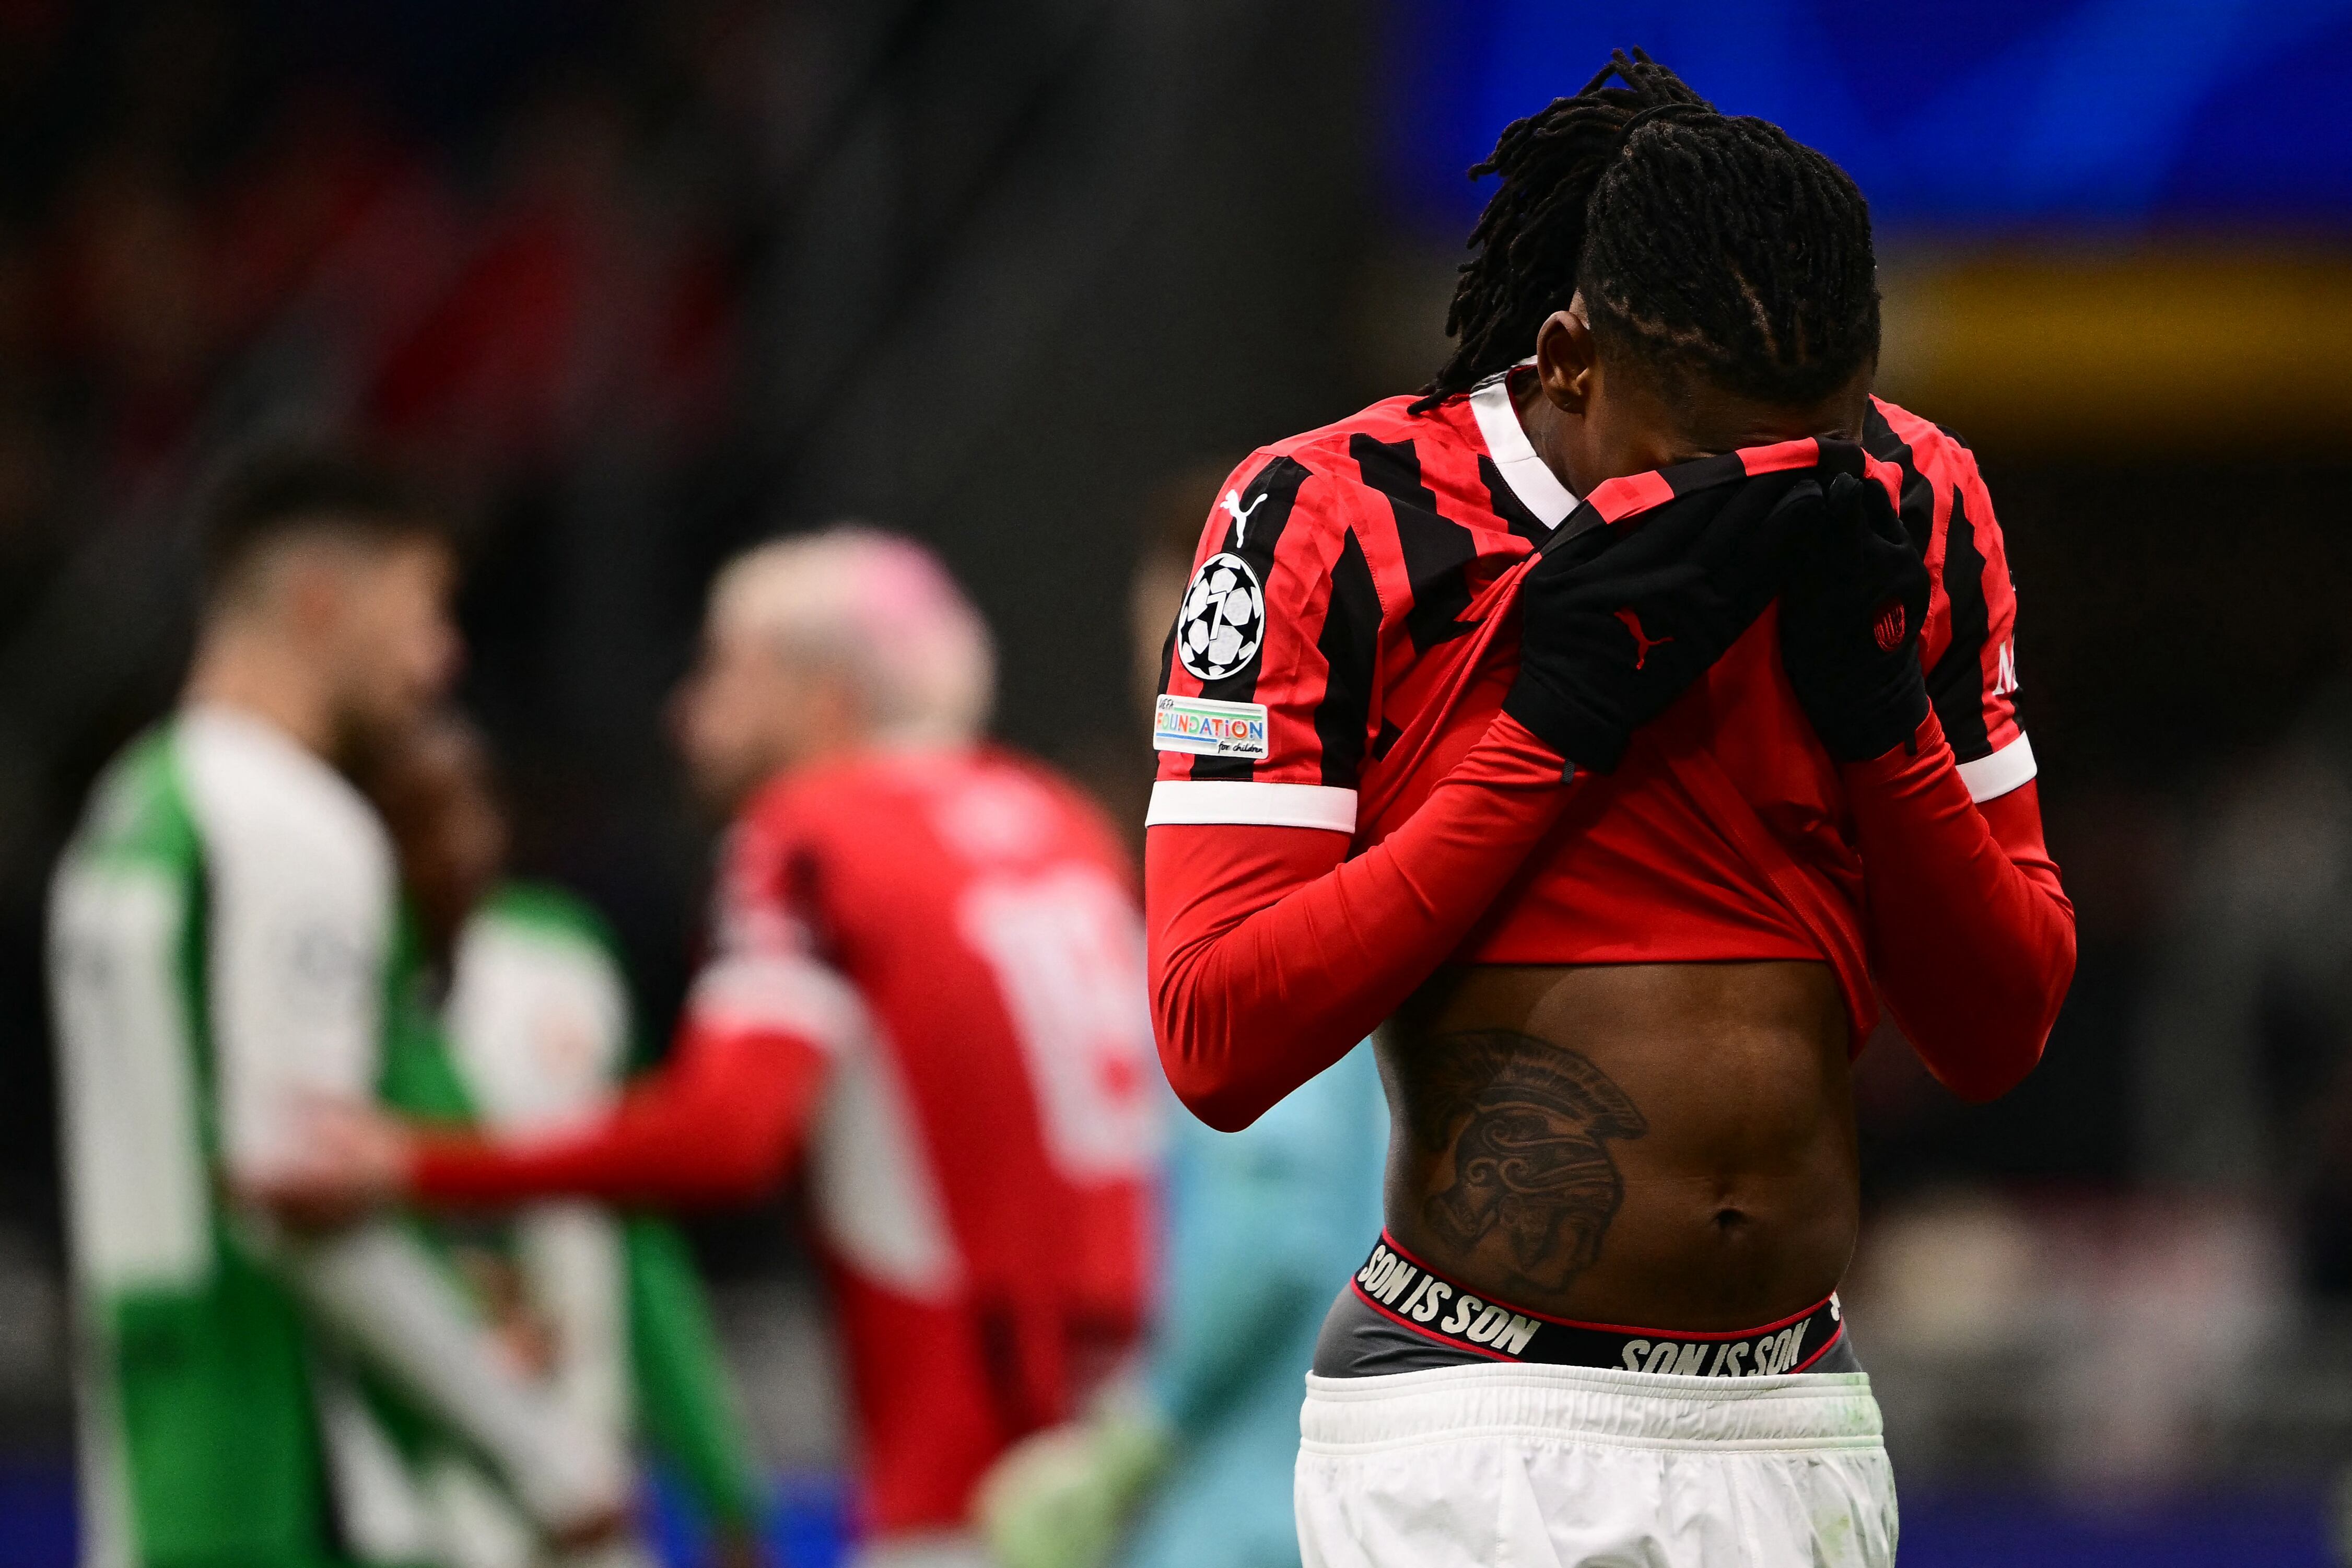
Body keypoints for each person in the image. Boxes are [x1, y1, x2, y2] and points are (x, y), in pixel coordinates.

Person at [1143, 53, 2076, 1567]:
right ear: (1570, 357)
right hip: (1472, 1429)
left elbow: (2000, 1026)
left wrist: (1881, 719)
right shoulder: (1328, 515)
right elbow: (1215, 1036)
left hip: (1795, 1418)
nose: (1758, 506)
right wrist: (1548, 732)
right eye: (1703, 467)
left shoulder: (1921, 498)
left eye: (1813, 451)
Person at [265, 527, 1161, 1568]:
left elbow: (728, 1132)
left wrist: (413, 1161)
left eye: (725, 669)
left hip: (960, 1474)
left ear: (824, 693)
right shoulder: (1059, 820)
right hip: (1115, 1459)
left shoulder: (812, 834)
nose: (686, 713)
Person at [47, 450, 628, 1568]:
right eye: (423, 610)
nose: (440, 657)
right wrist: (543, 1451)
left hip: (158, 1459)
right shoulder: (294, 829)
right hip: (291, 1471)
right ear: (323, 597)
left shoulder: (128, 808)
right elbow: (299, 1189)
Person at [973, 473, 1390, 1568]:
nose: (1153, 687)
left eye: (1171, 649)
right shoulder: (1379, 861)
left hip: (1250, 1514)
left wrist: (1131, 1437)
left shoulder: (1264, 887)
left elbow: (1273, 1224)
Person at [358, 711, 773, 1568]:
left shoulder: (560, 955)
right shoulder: (336, 993)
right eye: (423, 817)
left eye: (477, 807)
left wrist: (717, 1472)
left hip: (585, 1485)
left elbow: (635, 1231)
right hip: (411, 1498)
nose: (462, 842)